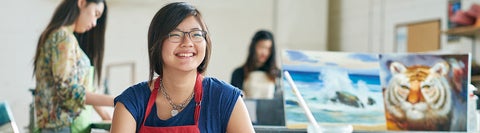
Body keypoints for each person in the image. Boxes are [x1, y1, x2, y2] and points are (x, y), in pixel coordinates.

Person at [110, 2, 254, 132]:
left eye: (196, 34)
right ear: (157, 42)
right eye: (175, 34)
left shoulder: (226, 98)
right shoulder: (132, 101)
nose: (187, 42)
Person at [32, 0, 114, 132]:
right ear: (82, 3)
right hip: (61, 128)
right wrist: (117, 100)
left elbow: (79, 87)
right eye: (95, 14)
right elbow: (68, 91)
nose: (94, 23)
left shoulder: (58, 36)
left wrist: (104, 112)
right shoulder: (63, 38)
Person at [231, 30, 280, 99]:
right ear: (253, 47)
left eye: (268, 48)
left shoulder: (277, 74)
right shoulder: (238, 73)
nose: (264, 52)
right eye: (261, 47)